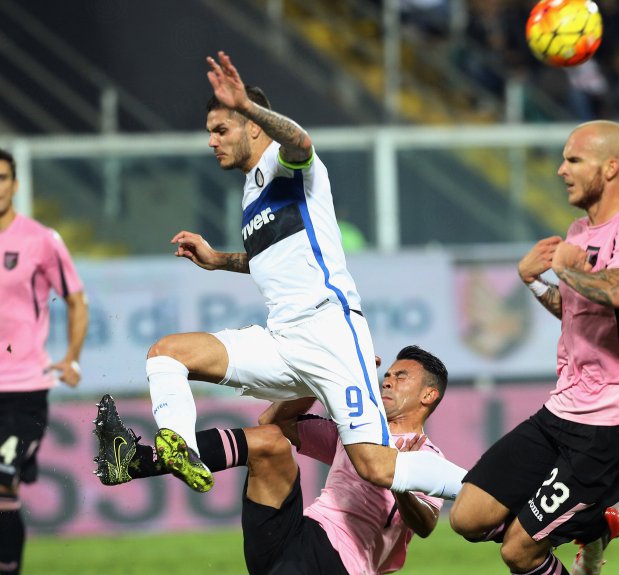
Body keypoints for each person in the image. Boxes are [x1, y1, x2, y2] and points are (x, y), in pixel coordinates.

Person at [140, 51, 464, 500]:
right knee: (166, 354)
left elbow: (302, 143)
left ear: (253, 126)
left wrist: (247, 104)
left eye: (221, 130)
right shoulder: (251, 192)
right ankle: (181, 449)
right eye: (210, 132)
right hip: (283, 339)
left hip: (329, 330)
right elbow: (270, 259)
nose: (212, 142)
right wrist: (218, 260)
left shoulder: (284, 163)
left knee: (374, 466)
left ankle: (485, 491)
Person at [449, 121, 619, 575]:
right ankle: (593, 524)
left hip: (613, 421)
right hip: (562, 412)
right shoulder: (579, 231)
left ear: (610, 168)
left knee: (518, 551)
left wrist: (567, 270)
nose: (560, 170)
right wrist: (534, 281)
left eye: (573, 160)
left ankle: (580, 524)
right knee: (468, 518)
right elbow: (578, 312)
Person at [94, 346, 448, 575]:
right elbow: (274, 422)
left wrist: (399, 477)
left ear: (428, 395)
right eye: (388, 375)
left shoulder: (426, 456)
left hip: (338, 561)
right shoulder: (357, 432)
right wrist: (331, 377)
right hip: (294, 533)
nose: (387, 382)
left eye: (401, 377)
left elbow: (426, 523)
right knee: (269, 441)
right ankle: (133, 461)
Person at [0, 148, 89, 574]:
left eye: (2, 178)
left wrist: (71, 357)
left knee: (2, 479)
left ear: (15, 185)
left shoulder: (40, 240)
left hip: (24, 391)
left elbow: (76, 300)